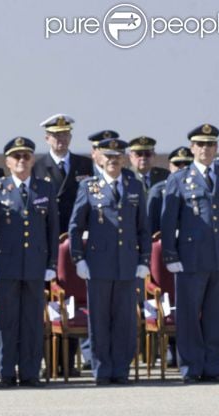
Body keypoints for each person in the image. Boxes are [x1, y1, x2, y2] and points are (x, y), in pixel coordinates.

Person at [161, 124, 219, 383]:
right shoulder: (179, 179)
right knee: (188, 316)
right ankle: (191, 367)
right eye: (200, 144)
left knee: (217, 316)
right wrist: (170, 256)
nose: (205, 149)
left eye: (210, 144)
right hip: (190, 259)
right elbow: (168, 222)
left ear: (216, 148)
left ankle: (213, 366)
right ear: (192, 148)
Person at [69, 138, 150, 385]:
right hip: (98, 264)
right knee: (100, 319)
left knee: (125, 320)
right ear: (101, 158)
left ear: (124, 159)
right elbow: (75, 226)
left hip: (127, 263)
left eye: (117, 157)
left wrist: (144, 259)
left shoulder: (134, 186)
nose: (113, 161)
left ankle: (121, 369)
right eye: (108, 156)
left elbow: (143, 228)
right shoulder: (89, 187)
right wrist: (78, 258)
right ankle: (102, 370)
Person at [0, 137, 59, 388]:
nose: (22, 161)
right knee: (7, 322)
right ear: (7, 162)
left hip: (36, 265)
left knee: (33, 322)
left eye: (26, 156)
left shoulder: (44, 189)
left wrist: (52, 263)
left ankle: (30, 372)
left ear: (32, 159)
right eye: (17, 157)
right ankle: (6, 372)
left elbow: (52, 229)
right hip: (6, 266)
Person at [32, 114, 94, 236]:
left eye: (65, 134)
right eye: (56, 135)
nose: (62, 139)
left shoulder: (85, 164)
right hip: (49, 230)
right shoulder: (37, 167)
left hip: (79, 229)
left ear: (70, 137)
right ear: (47, 138)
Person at [147, 146, 193, 236]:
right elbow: (151, 222)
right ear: (170, 166)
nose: (182, 168)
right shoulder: (158, 190)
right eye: (177, 164)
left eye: (187, 164)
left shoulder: (201, 188)